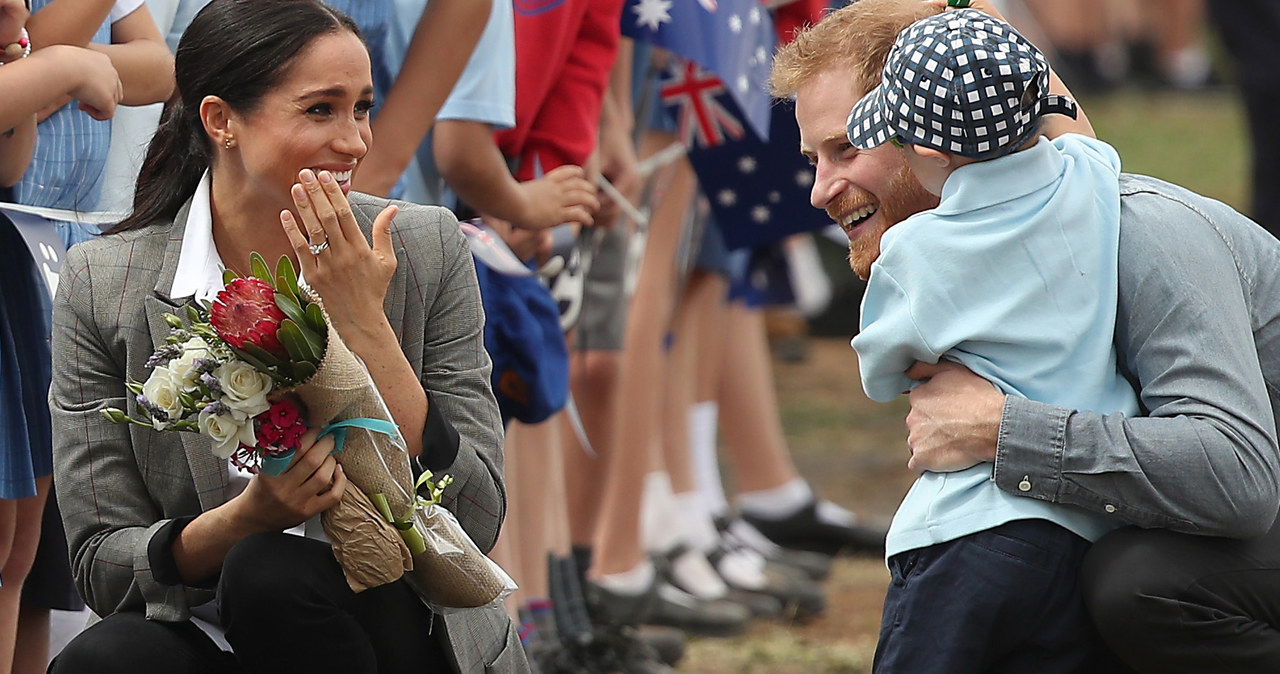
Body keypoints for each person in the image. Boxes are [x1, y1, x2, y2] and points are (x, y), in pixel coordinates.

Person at [773, 0, 1280, 672]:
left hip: (1246, 497)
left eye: (846, 148)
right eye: (813, 158)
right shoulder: (1031, 232)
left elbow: (1239, 477)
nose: (819, 189)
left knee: (1137, 579)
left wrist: (1006, 431)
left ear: (922, 136)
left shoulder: (1147, 236)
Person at [45, 1, 525, 672]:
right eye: (320, 109)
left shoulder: (423, 246)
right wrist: (246, 518)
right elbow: (101, 562)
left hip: (395, 619)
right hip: (213, 623)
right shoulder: (104, 283)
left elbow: (476, 516)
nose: (357, 141)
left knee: (272, 575)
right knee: (106, 658)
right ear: (220, 120)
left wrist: (365, 326)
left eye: (361, 107)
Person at [839, 6, 1132, 670]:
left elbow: (883, 370)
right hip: (1088, 531)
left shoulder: (916, 248)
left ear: (932, 153)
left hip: (970, 533)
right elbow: (1073, 125)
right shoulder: (1091, 179)